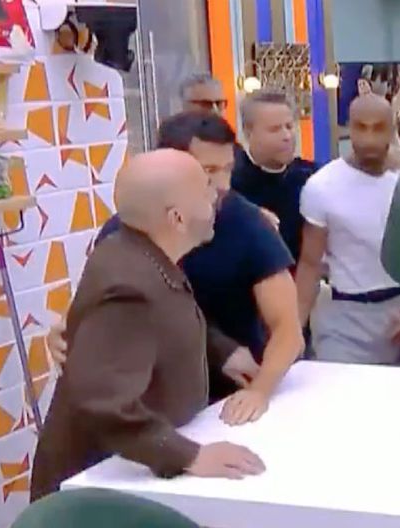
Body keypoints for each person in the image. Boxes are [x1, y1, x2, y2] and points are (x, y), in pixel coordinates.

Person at [31, 150, 266, 501]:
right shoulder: (128, 286)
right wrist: (188, 456)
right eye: (205, 188)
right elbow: (103, 401)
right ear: (177, 218)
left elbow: (164, 324)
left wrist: (222, 352)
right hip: (97, 490)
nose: (217, 194)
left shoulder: (142, 254)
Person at [49, 112, 303, 425]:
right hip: (153, 401)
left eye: (227, 169)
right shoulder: (127, 229)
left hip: (232, 398)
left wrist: (260, 391)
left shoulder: (248, 224)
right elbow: (102, 307)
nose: (222, 185)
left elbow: (288, 330)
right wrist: (69, 330)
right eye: (208, 172)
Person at [296, 95, 400, 367]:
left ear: (392, 130)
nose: (369, 138)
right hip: (346, 319)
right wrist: (293, 333)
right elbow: (310, 264)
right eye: (361, 127)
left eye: (378, 128)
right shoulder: (322, 187)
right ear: (349, 128)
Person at [231, 90, 319, 264]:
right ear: (248, 132)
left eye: (289, 126)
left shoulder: (312, 177)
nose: (286, 136)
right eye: (274, 129)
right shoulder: (232, 185)